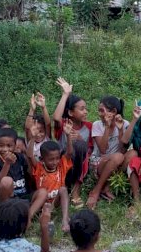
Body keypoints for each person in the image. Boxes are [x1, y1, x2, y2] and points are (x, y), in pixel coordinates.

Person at [52, 78, 92, 208]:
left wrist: (80, 139)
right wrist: (65, 94)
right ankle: (64, 188)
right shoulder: (64, 125)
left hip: (80, 166)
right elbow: (56, 118)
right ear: (70, 112)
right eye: (81, 109)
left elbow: (90, 150)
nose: (85, 111)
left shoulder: (89, 127)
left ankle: (76, 191)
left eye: (85, 108)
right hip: (63, 164)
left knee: (80, 147)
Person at [26, 124, 74, 232]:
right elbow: (29, 155)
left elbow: (70, 153)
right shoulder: (39, 167)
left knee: (63, 189)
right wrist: (33, 138)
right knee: (42, 191)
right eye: (51, 159)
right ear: (42, 159)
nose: (55, 162)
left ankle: (65, 220)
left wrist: (68, 135)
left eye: (57, 158)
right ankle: (28, 218)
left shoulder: (61, 165)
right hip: (41, 203)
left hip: (54, 203)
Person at [86, 96, 130, 209]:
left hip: (117, 161)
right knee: (118, 157)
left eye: (102, 110)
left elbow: (123, 150)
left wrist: (120, 130)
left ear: (114, 111)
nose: (99, 113)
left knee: (132, 154)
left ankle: (107, 187)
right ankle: (97, 190)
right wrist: (107, 127)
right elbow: (103, 150)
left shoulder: (125, 124)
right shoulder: (97, 125)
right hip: (99, 162)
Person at [0, 127, 31, 202]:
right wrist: (7, 163)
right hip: (8, 198)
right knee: (6, 181)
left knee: (42, 193)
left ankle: (30, 213)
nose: (5, 149)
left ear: (15, 145)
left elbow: (30, 173)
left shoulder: (20, 157)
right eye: (1, 146)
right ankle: (6, 209)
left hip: (24, 196)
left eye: (9, 146)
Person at [25, 93, 52, 162]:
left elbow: (48, 124)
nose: (38, 134)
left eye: (41, 131)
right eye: (34, 131)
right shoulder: (31, 140)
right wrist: (32, 109)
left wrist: (43, 107)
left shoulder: (46, 138)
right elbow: (27, 127)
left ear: (45, 131)